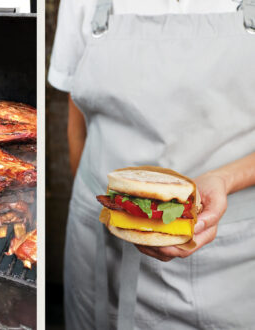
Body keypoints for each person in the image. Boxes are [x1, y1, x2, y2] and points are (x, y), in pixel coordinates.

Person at [48, 0, 255, 329]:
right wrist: (104, 210)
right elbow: (78, 121)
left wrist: (225, 179)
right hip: (102, 254)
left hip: (234, 262)